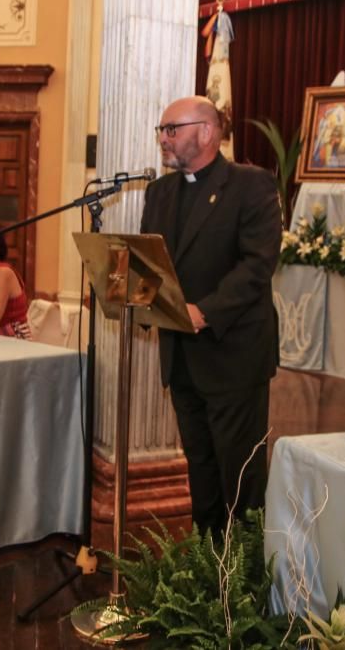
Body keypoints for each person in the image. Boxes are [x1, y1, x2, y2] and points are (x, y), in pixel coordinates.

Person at [140, 96, 282, 535]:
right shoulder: (159, 191)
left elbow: (257, 265)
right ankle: (206, 565)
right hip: (181, 356)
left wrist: (206, 311)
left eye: (172, 129)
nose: (164, 139)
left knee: (240, 476)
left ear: (207, 131)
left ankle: (243, 578)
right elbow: (152, 263)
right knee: (199, 469)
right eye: (162, 130)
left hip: (233, 355)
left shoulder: (251, 185)